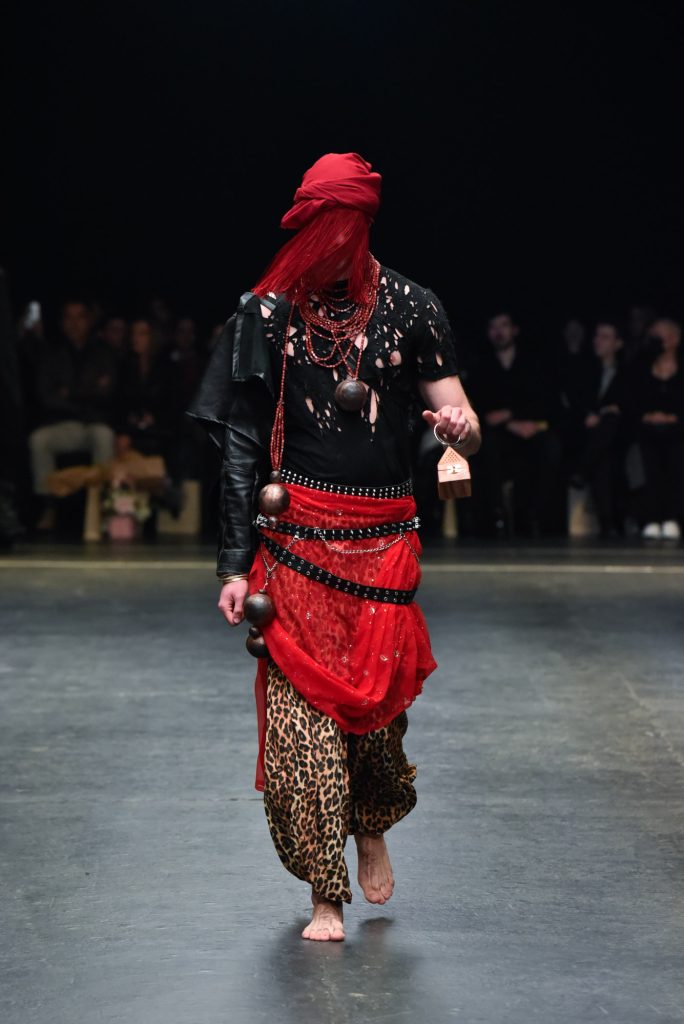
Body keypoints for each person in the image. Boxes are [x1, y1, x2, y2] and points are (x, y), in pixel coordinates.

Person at [189, 152, 481, 942]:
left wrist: (460, 429)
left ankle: (371, 823)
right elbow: (241, 449)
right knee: (301, 733)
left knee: (375, 720)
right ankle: (326, 892)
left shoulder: (414, 307)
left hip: (382, 548)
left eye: (340, 230)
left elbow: (465, 425)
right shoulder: (268, 315)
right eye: (315, 230)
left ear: (361, 228)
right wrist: (232, 564)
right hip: (293, 547)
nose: (326, 245)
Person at [467, 311, 562, 537]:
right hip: (499, 433)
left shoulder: (533, 362)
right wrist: (508, 424)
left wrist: (511, 415)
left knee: (551, 446)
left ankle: (538, 516)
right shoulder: (482, 366)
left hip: (531, 428)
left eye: (504, 326)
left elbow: (546, 402)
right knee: (488, 447)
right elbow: (483, 410)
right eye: (493, 327)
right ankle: (497, 516)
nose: (499, 332)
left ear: (514, 330)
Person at [28, 299, 119, 530]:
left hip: (95, 421)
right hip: (66, 422)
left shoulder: (102, 351)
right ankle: (48, 505)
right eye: (69, 317)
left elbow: (108, 392)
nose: (74, 323)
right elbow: (46, 396)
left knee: (104, 437)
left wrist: (70, 393)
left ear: (89, 320)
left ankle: (102, 507)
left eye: (80, 317)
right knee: (39, 440)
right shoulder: (52, 353)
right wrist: (85, 396)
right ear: (62, 323)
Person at [626, 318, 684, 540]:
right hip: (647, 429)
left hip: (678, 429)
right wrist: (647, 416)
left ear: (675, 339)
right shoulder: (641, 367)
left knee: (676, 455)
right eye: (654, 336)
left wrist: (673, 418)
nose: (657, 340)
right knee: (648, 458)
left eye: (662, 335)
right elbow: (633, 401)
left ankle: (672, 516)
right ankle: (652, 516)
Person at [570, 320, 627, 538]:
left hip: (617, 435)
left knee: (610, 424)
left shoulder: (626, 372)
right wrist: (592, 414)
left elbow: (627, 406)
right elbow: (576, 402)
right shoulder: (585, 370)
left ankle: (582, 471)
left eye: (605, 337)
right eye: (597, 336)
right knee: (603, 456)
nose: (598, 341)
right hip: (587, 433)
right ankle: (608, 523)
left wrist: (604, 413)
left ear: (618, 343)